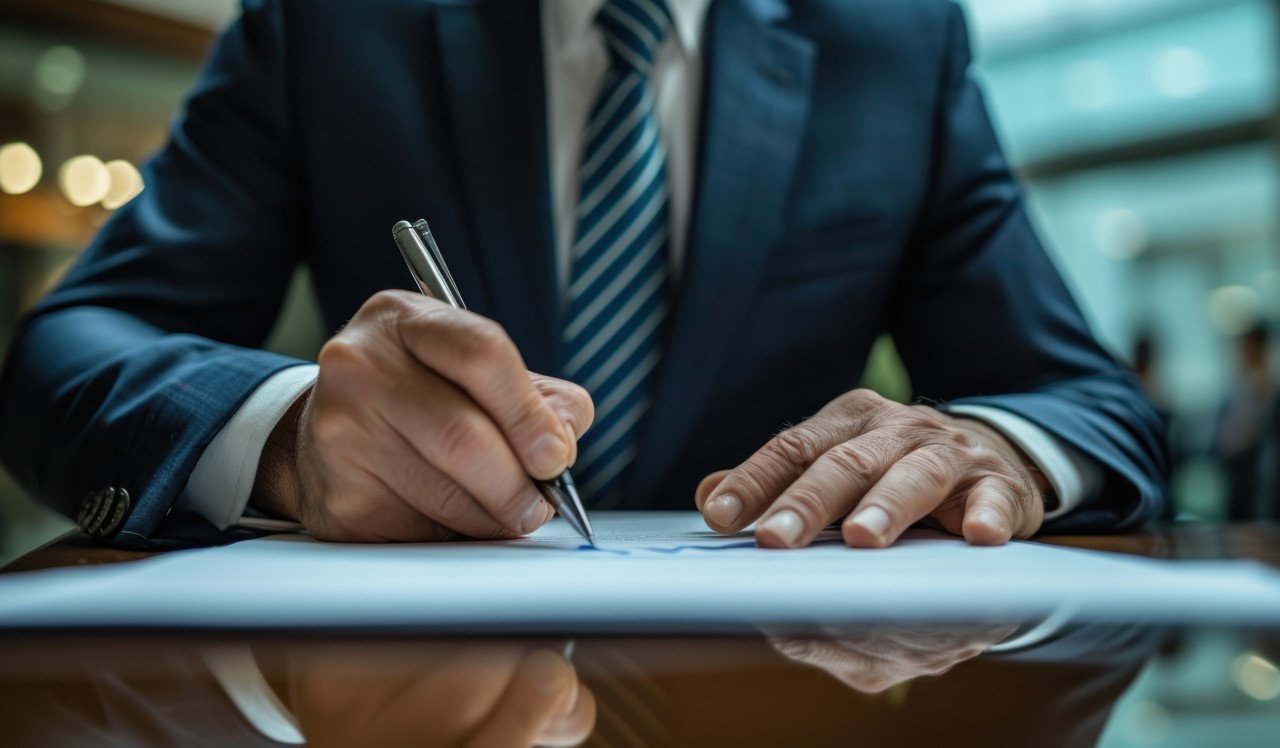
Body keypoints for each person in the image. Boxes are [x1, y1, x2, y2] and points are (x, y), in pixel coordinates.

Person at [0, 0, 1166, 551]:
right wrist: (288, 437)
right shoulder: (328, 27)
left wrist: (996, 445)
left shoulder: (897, 45)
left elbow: (1091, 404)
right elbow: (69, 347)